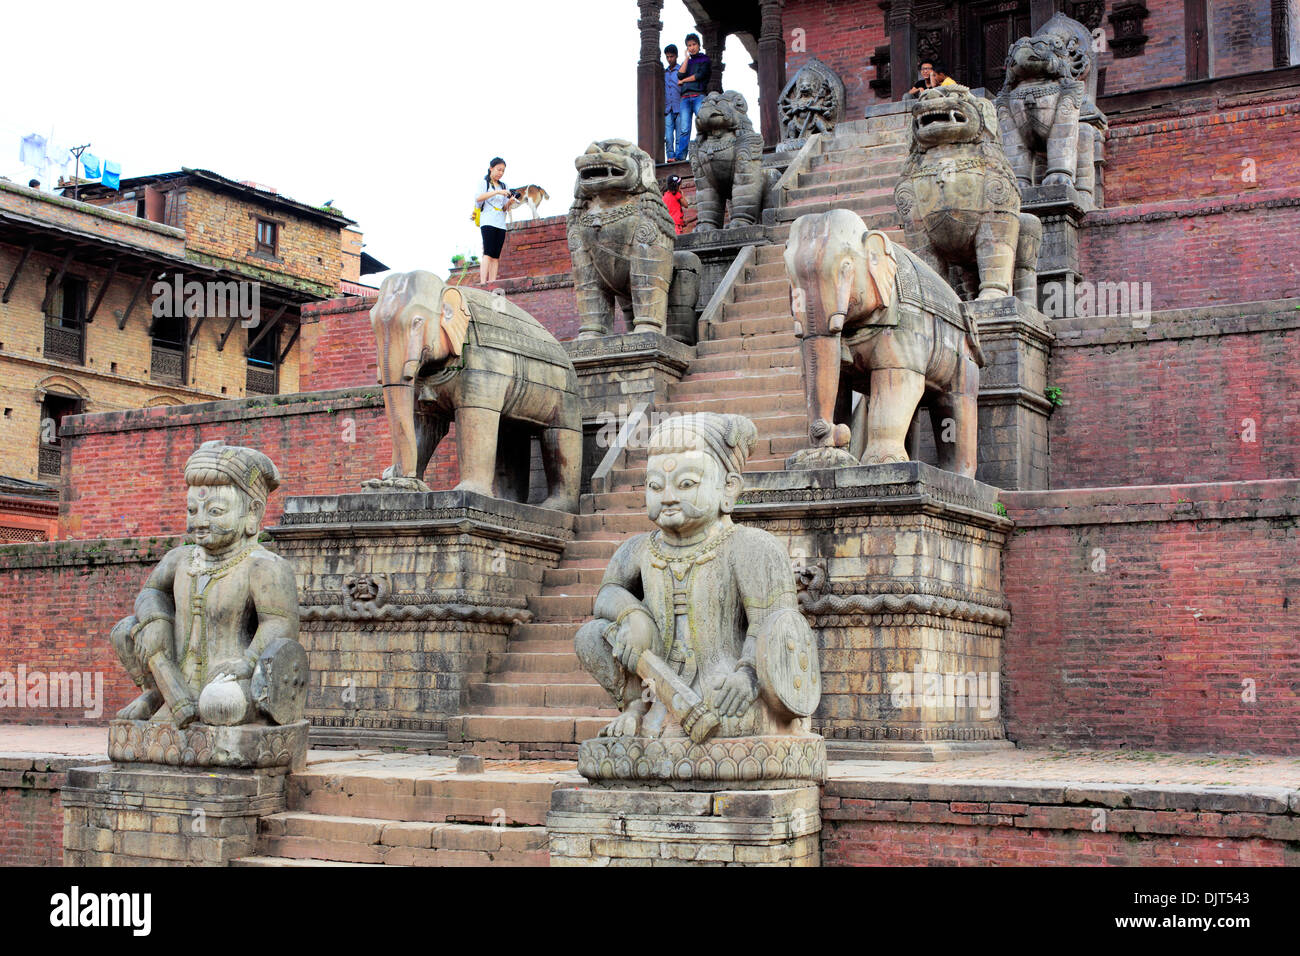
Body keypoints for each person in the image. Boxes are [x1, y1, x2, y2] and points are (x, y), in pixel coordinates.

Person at [473, 157, 520, 283]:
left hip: (500, 223)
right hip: (487, 221)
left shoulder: (504, 186)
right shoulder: (484, 183)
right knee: (487, 253)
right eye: (498, 169)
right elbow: (478, 198)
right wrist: (497, 192)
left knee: (495, 256)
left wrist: (509, 202)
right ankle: (483, 282)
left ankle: (492, 282)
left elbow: (504, 208)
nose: (500, 173)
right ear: (491, 168)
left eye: (503, 171)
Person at [676, 34, 712, 150]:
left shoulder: (704, 59)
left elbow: (699, 75)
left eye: (694, 44)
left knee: (703, 124)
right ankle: (680, 157)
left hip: (698, 96)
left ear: (699, 45)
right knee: (684, 129)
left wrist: (683, 80)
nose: (692, 47)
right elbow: (680, 74)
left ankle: (707, 150)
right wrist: (686, 58)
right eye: (689, 46)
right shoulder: (688, 62)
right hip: (685, 98)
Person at [664, 44, 689, 162]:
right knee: (668, 137)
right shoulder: (664, 73)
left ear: (676, 56)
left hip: (680, 107)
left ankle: (679, 160)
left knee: (680, 136)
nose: (669, 59)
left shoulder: (681, 70)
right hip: (667, 109)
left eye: (671, 57)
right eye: (667, 57)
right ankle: (670, 157)